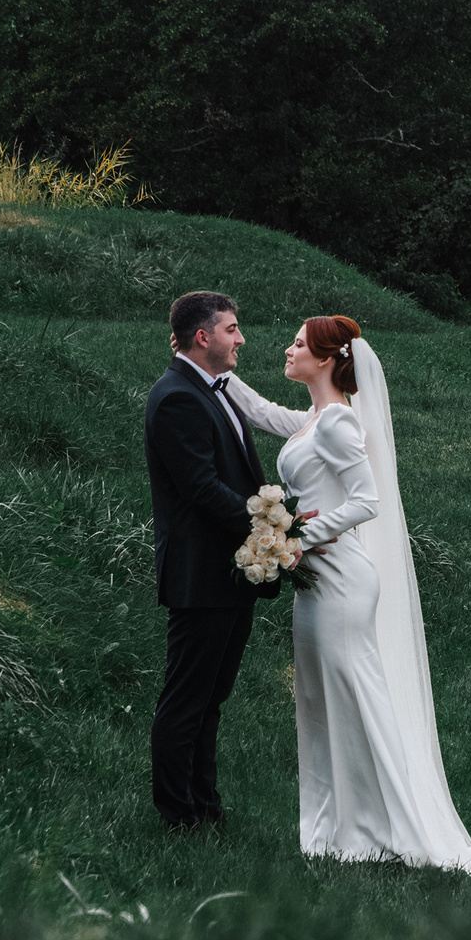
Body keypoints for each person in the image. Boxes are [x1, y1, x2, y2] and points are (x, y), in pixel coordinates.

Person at [224, 314, 471, 873]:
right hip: (317, 579)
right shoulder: (314, 419)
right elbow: (263, 412)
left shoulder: (338, 422)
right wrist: (215, 373)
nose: (288, 350)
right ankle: (337, 827)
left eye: (298, 344)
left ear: (325, 358)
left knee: (356, 697)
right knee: (319, 701)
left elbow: (367, 500)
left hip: (340, 579)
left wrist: (296, 537)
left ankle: (391, 828)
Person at [141, 291, 279, 829]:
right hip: (200, 573)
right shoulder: (177, 397)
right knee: (186, 699)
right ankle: (177, 815)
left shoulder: (211, 390)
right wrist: (270, 527)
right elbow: (201, 488)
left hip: (228, 571)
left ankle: (205, 806)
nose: (240, 338)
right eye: (232, 329)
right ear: (203, 337)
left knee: (211, 698)